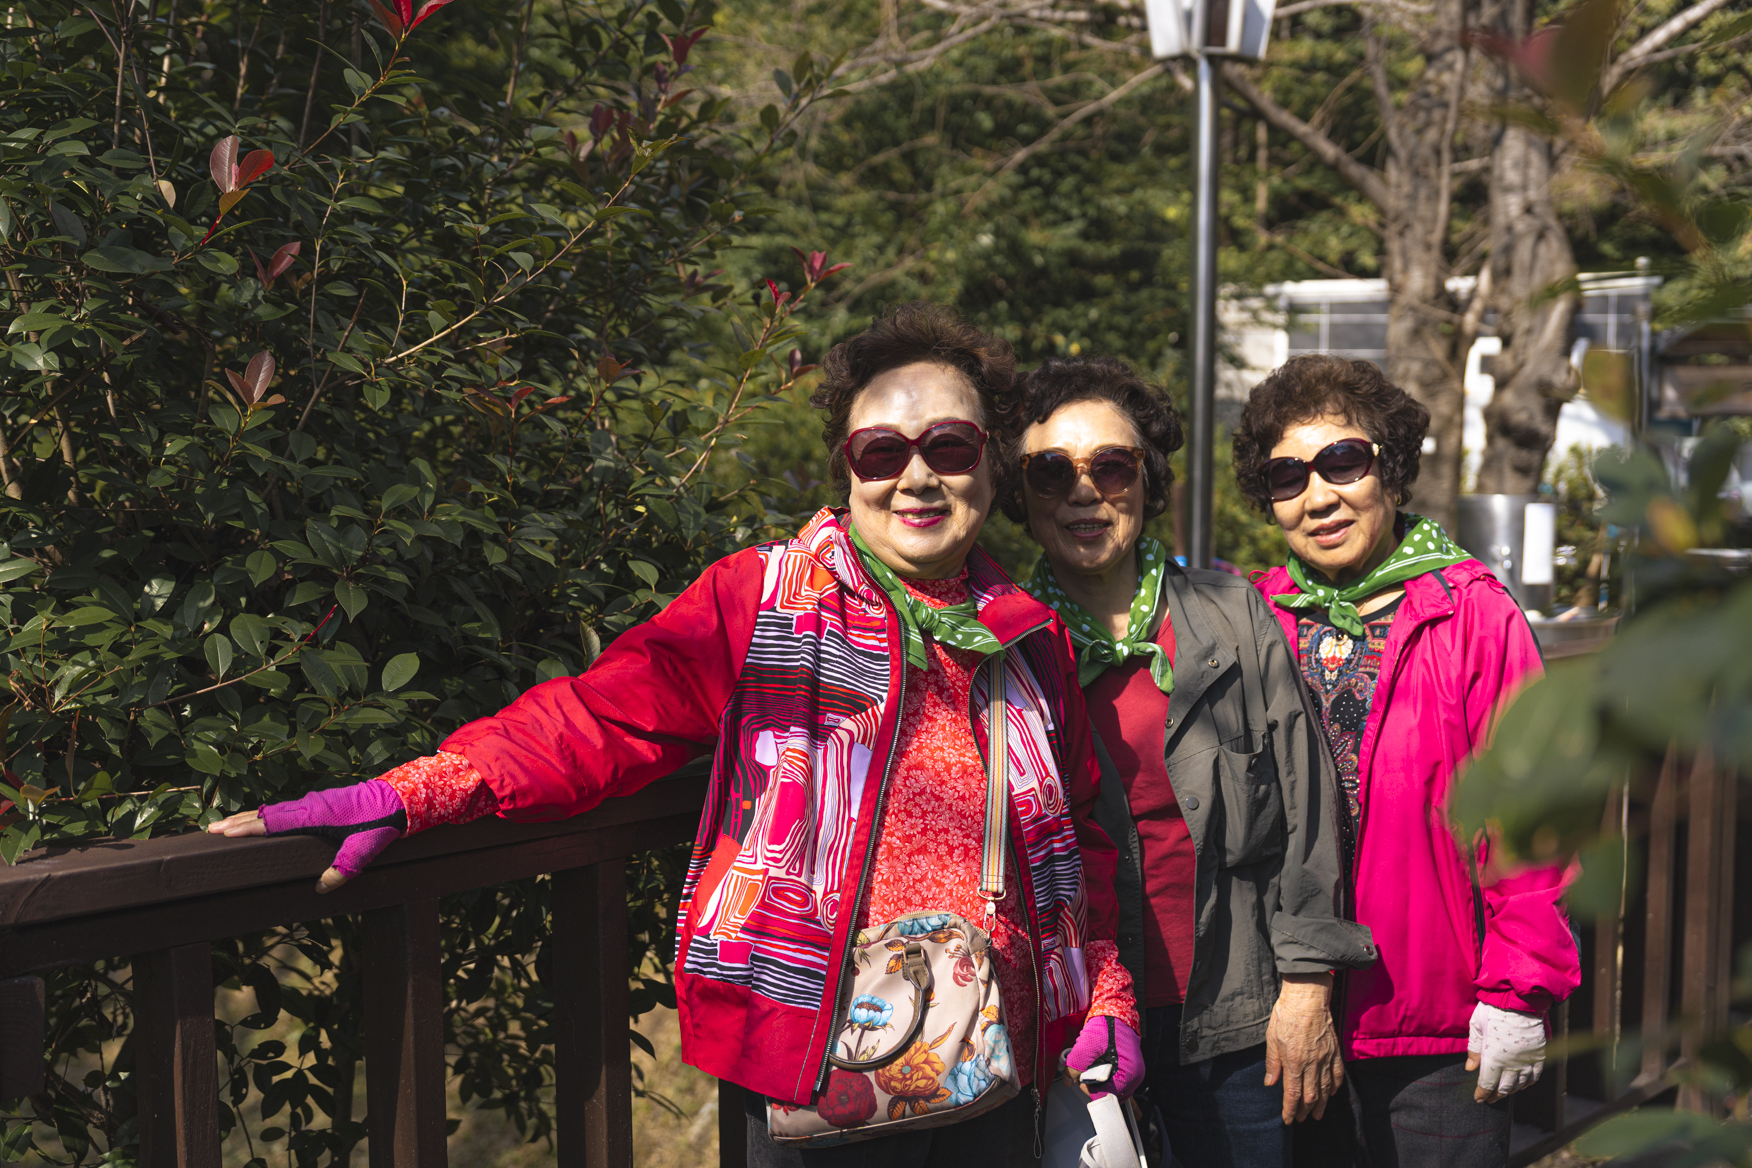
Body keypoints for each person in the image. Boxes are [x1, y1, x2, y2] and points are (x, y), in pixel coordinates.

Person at [211, 304, 1141, 1167]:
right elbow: (601, 716)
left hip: (996, 1068)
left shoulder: (1028, 637)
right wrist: (418, 791)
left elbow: (1078, 839)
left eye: (950, 445)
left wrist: (1104, 995)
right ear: (845, 469)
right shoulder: (763, 601)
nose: (917, 475)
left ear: (990, 465)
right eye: (880, 450)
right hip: (819, 1068)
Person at [1005, 356, 1376, 1168]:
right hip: (1074, 1028)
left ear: (1147, 480)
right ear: (1020, 493)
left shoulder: (1231, 615)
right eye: (1052, 471)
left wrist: (1307, 987)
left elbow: (1309, 814)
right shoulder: (1005, 645)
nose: (1084, 492)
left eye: (1111, 466)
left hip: (1235, 1019)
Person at [1233, 354, 1580, 1167]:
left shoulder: (1471, 613)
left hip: (1437, 1029)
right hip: (1285, 1019)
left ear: (1389, 468)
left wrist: (1518, 989)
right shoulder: (1253, 617)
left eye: (1342, 461)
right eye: (1288, 476)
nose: (1319, 496)